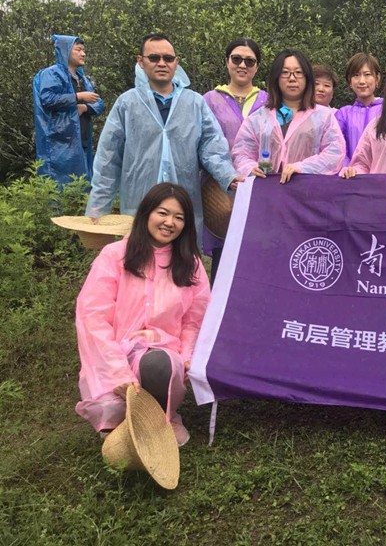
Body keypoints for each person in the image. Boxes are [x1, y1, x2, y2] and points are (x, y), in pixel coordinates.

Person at [75, 183, 211, 446]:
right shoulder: (115, 255)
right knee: (113, 407)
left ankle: (161, 416)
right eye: (163, 213)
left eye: (179, 217)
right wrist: (118, 372)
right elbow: (93, 318)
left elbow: (195, 319)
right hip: (115, 353)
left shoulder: (190, 264)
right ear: (146, 213)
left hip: (165, 354)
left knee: (158, 364)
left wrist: (186, 355)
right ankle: (126, 417)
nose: (170, 222)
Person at [86, 33, 241, 245]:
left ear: (176, 62)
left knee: (181, 259)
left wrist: (228, 176)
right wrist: (98, 207)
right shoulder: (127, 104)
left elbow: (212, 148)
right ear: (141, 62)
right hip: (139, 201)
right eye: (154, 58)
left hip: (182, 204)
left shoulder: (194, 103)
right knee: (138, 257)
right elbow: (108, 159)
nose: (162, 63)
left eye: (168, 58)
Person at [203, 38, 268, 279]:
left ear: (257, 66)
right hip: (220, 189)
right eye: (237, 59)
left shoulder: (269, 100)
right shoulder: (209, 100)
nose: (242, 65)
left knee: (258, 251)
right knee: (224, 255)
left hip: (259, 186)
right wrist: (226, 176)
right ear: (227, 61)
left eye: (249, 61)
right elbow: (203, 143)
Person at [232, 49, 345, 184]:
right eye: (285, 72)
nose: (292, 78)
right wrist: (250, 167)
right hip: (266, 190)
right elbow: (241, 153)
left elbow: (334, 153)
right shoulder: (258, 118)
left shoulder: (323, 116)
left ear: (307, 77)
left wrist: (302, 167)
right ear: (276, 78)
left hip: (308, 190)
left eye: (298, 72)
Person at [33, 35, 104, 186]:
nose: (83, 54)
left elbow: (99, 103)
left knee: (81, 187)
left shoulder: (82, 79)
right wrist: (78, 97)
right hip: (59, 143)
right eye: (78, 50)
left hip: (81, 140)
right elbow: (48, 99)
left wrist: (85, 107)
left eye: (84, 50)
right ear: (65, 51)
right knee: (59, 188)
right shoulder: (52, 73)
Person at [335, 53, 383, 165]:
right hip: (352, 174)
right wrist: (348, 169)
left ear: (377, 79)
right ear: (350, 81)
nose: (362, 81)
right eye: (356, 75)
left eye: (367, 74)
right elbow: (337, 148)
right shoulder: (343, 114)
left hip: (383, 173)